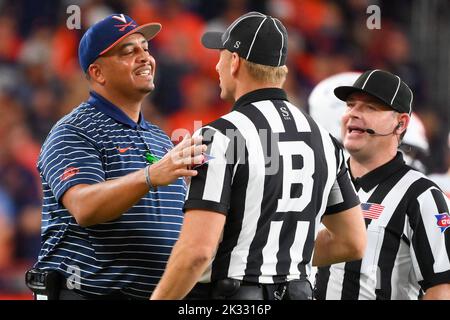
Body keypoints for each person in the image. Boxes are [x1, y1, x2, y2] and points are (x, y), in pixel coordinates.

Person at [150, 11, 366, 300]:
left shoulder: (220, 136)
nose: (216, 66)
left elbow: (196, 253)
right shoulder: (326, 141)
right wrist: (278, 252)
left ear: (235, 62)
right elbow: (352, 241)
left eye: (221, 56)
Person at [26, 14, 206, 300]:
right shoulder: (73, 131)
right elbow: (83, 206)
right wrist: (150, 176)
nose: (145, 57)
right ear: (98, 73)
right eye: (128, 52)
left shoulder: (159, 138)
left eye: (145, 48)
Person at [314, 69, 450, 300]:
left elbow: (440, 289)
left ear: (400, 123)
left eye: (370, 107)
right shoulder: (320, 182)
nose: (353, 114)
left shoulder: (422, 195)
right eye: (350, 105)